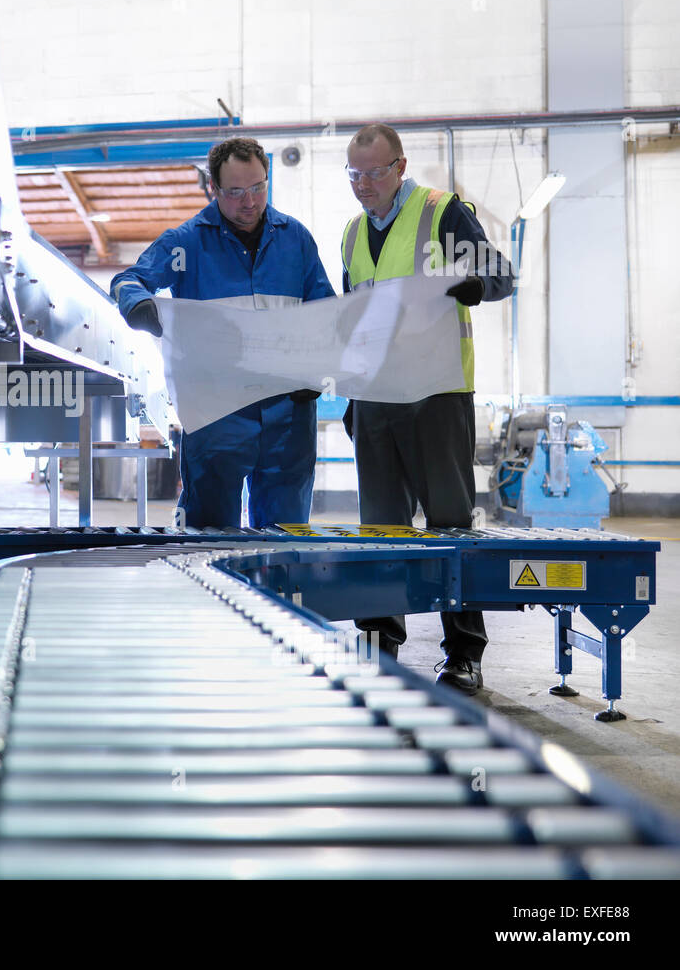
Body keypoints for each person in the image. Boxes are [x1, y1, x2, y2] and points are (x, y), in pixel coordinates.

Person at [340, 123, 514, 695]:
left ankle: (465, 652)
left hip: (438, 394)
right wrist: (349, 394)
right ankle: (379, 640)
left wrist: (473, 283)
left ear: (401, 166)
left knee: (448, 524)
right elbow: (353, 319)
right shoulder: (350, 235)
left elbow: (501, 273)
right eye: (354, 174)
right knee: (379, 528)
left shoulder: (441, 213)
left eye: (375, 172)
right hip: (377, 397)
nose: (364, 185)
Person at [109, 137, 336, 529]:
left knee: (287, 538)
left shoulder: (295, 239)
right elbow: (127, 281)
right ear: (213, 189)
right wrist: (139, 307)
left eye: (258, 187)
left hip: (289, 417)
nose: (249, 201)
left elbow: (327, 313)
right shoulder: (187, 243)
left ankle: (277, 593)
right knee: (209, 537)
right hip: (216, 416)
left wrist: (317, 370)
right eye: (234, 192)